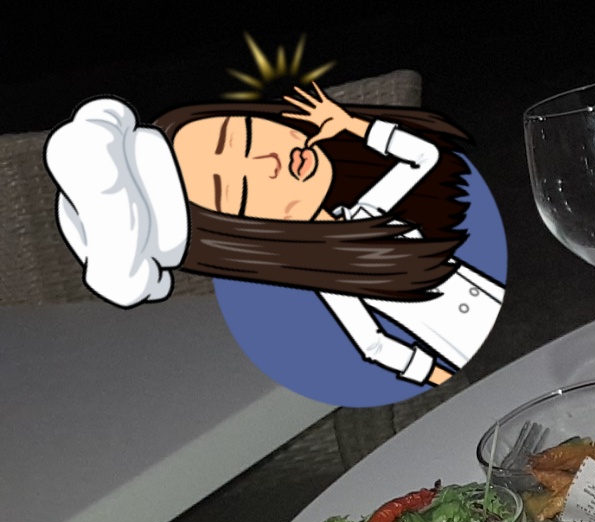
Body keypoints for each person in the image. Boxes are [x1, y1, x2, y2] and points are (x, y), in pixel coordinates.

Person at [45, 85, 503, 386]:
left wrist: (351, 124)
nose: (270, 161)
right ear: (249, 237)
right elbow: (374, 345)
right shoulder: (330, 276)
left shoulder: (363, 214)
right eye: (243, 190)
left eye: (245, 136)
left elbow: (422, 158)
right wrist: (438, 375)